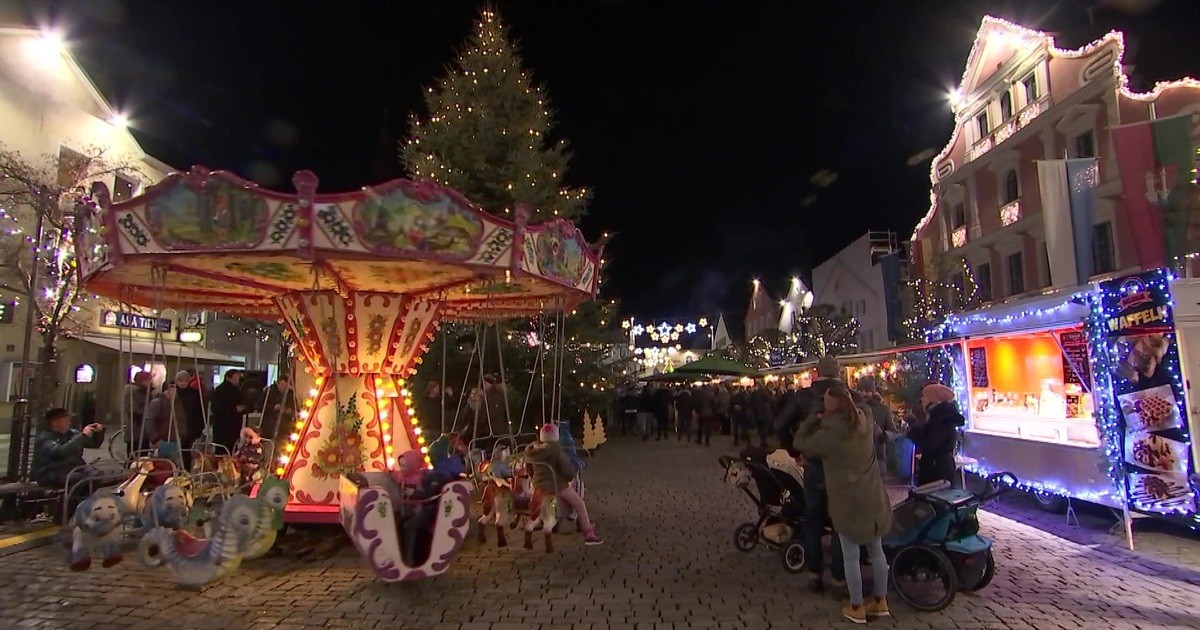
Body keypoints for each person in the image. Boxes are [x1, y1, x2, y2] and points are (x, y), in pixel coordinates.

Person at [793, 385, 892, 624]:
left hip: (847, 499)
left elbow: (800, 442)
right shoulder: (865, 422)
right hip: (873, 494)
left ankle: (856, 606)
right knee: (876, 550)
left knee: (850, 555)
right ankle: (880, 601)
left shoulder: (828, 435)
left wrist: (811, 420)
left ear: (828, 408)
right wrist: (852, 399)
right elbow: (866, 407)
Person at [799, 355, 848, 592]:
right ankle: (840, 576)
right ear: (839, 372)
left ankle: (814, 574)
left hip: (814, 466)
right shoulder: (849, 394)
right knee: (840, 521)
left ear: (818, 372)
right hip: (841, 465)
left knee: (813, 519)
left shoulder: (804, 396)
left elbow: (780, 422)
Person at [525, 423, 603, 545]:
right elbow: (565, 468)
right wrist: (570, 476)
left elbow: (529, 468)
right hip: (557, 485)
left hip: (539, 486)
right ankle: (588, 533)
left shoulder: (532, 451)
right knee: (579, 503)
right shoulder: (556, 450)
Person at [31, 408, 106, 515]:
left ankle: (79, 507)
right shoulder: (45, 438)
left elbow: (93, 444)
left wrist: (98, 432)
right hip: (51, 471)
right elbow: (59, 452)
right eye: (66, 419)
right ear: (56, 422)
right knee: (79, 480)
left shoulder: (73, 433)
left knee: (96, 475)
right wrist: (82, 436)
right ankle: (64, 513)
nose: (69, 421)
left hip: (73, 468)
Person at [908, 383, 966, 486]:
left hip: (936, 470)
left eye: (924, 396)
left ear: (932, 399)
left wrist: (914, 431)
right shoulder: (937, 415)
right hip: (938, 466)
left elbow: (932, 444)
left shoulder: (940, 417)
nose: (921, 399)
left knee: (933, 499)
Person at [856, 376, 897, 470]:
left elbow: (893, 432)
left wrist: (884, 435)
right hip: (857, 458)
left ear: (873, 391)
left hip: (877, 456)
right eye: (861, 390)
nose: (863, 394)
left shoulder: (883, 409)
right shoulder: (853, 408)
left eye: (867, 391)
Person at [209, 369, 246, 455]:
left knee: (231, 450)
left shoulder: (237, 390)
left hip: (232, 427)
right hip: (223, 428)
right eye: (235, 378)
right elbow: (216, 409)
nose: (237, 381)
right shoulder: (220, 391)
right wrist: (234, 409)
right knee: (223, 452)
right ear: (228, 378)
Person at [174, 370, 206, 469]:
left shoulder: (194, 394)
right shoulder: (173, 393)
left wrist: (199, 428)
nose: (183, 383)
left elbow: (199, 411)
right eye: (180, 380)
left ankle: (186, 471)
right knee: (174, 452)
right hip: (175, 427)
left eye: (185, 380)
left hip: (189, 428)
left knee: (186, 452)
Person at [259, 375, 297, 447]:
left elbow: (295, 408)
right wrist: (274, 407)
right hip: (270, 425)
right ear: (278, 383)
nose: (284, 388)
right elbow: (260, 407)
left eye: (286, 387)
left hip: (284, 426)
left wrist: (290, 411)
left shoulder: (290, 394)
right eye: (282, 385)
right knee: (269, 447)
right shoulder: (269, 392)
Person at [120, 372, 152, 453]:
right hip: (135, 429)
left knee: (144, 454)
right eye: (148, 380)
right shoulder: (131, 391)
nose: (150, 382)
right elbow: (132, 409)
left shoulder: (147, 391)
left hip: (144, 430)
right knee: (134, 453)